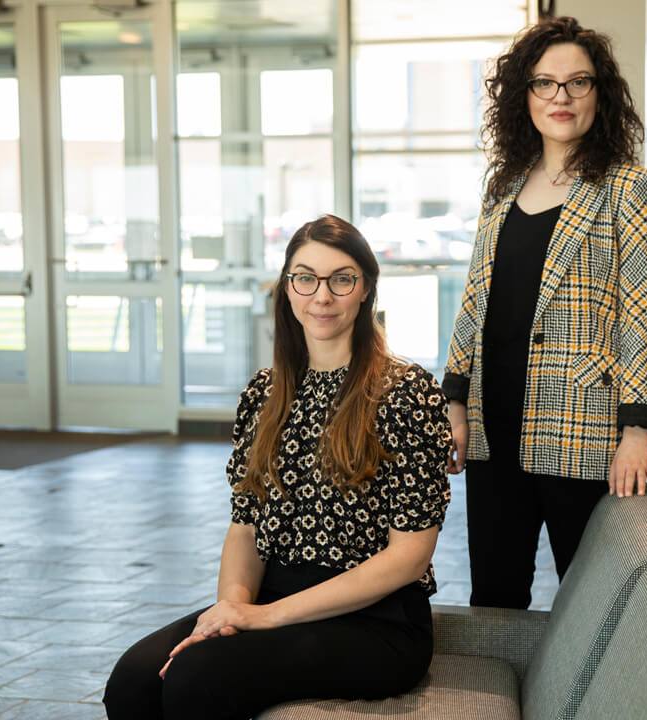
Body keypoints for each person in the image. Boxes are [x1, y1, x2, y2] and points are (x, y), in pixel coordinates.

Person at [104, 215, 452, 720]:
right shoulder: (265, 393)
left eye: (342, 278)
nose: (322, 296)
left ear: (365, 289)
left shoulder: (405, 393)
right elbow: (245, 527)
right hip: (272, 597)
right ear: (287, 288)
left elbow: (409, 559)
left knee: (196, 682)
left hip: (376, 622)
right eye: (305, 277)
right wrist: (232, 611)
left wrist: (265, 618)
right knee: (133, 683)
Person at [443, 16, 647, 609]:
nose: (562, 98)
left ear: (602, 93)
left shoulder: (632, 188)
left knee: (594, 602)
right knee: (494, 596)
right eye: (545, 83)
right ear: (524, 96)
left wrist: (636, 431)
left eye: (578, 82)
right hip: (496, 426)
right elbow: (474, 304)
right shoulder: (502, 189)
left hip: (583, 429)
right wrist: (455, 404)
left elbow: (646, 317)